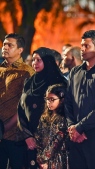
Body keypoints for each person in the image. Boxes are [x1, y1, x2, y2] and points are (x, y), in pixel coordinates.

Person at [65, 30, 95, 169]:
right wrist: (72, 127)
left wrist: (80, 127)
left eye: (86, 46)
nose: (82, 49)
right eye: (82, 45)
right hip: (74, 135)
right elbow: (68, 102)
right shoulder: (75, 71)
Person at [17, 47, 67, 169]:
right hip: (28, 139)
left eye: (38, 60)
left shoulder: (59, 81)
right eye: (33, 60)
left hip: (51, 141)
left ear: (48, 61)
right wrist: (27, 136)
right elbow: (20, 109)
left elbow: (63, 113)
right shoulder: (29, 82)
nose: (34, 63)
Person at [0, 33, 34, 169]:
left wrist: (5, 128)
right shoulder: (0, 69)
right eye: (4, 44)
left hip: (17, 135)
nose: (5, 48)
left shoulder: (27, 72)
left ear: (20, 50)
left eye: (10, 45)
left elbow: (26, 106)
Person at [35, 84, 68, 169]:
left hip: (58, 159)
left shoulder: (63, 119)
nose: (49, 102)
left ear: (61, 100)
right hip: (43, 159)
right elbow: (38, 137)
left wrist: (43, 159)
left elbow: (56, 142)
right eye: (47, 99)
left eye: (52, 99)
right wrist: (40, 158)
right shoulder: (44, 117)